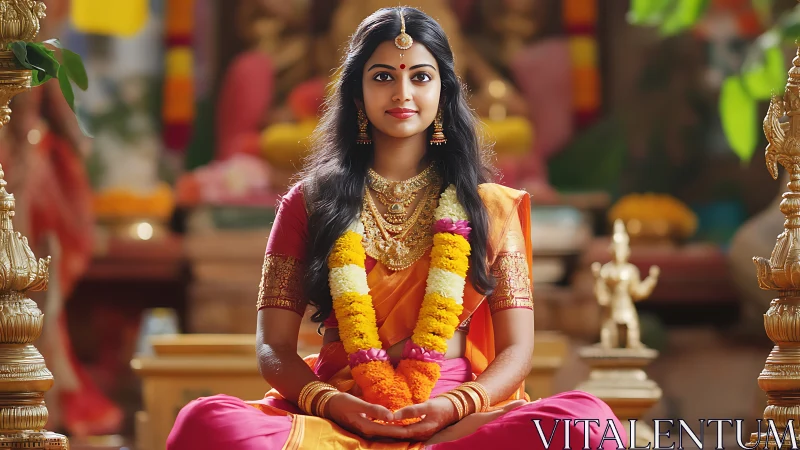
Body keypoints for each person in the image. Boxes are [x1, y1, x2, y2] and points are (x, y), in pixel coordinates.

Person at [167, 7, 625, 449]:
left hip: (455, 417)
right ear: (357, 93)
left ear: (444, 92)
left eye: (420, 76)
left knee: (585, 424)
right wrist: (333, 403)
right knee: (204, 423)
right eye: (383, 76)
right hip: (340, 415)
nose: (402, 92)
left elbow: (516, 348)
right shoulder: (309, 203)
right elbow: (273, 346)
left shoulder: (487, 207)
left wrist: (454, 406)